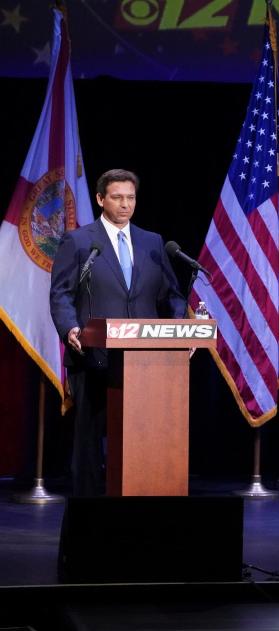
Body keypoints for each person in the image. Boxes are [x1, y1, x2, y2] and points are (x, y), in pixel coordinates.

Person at [49, 169, 186, 495]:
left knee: (146, 435)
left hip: (148, 362)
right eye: (117, 197)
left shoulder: (152, 243)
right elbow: (61, 295)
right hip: (93, 356)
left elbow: (173, 297)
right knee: (90, 441)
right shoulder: (80, 241)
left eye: (131, 197)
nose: (125, 204)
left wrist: (181, 329)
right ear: (100, 199)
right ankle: (89, 511)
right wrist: (71, 329)